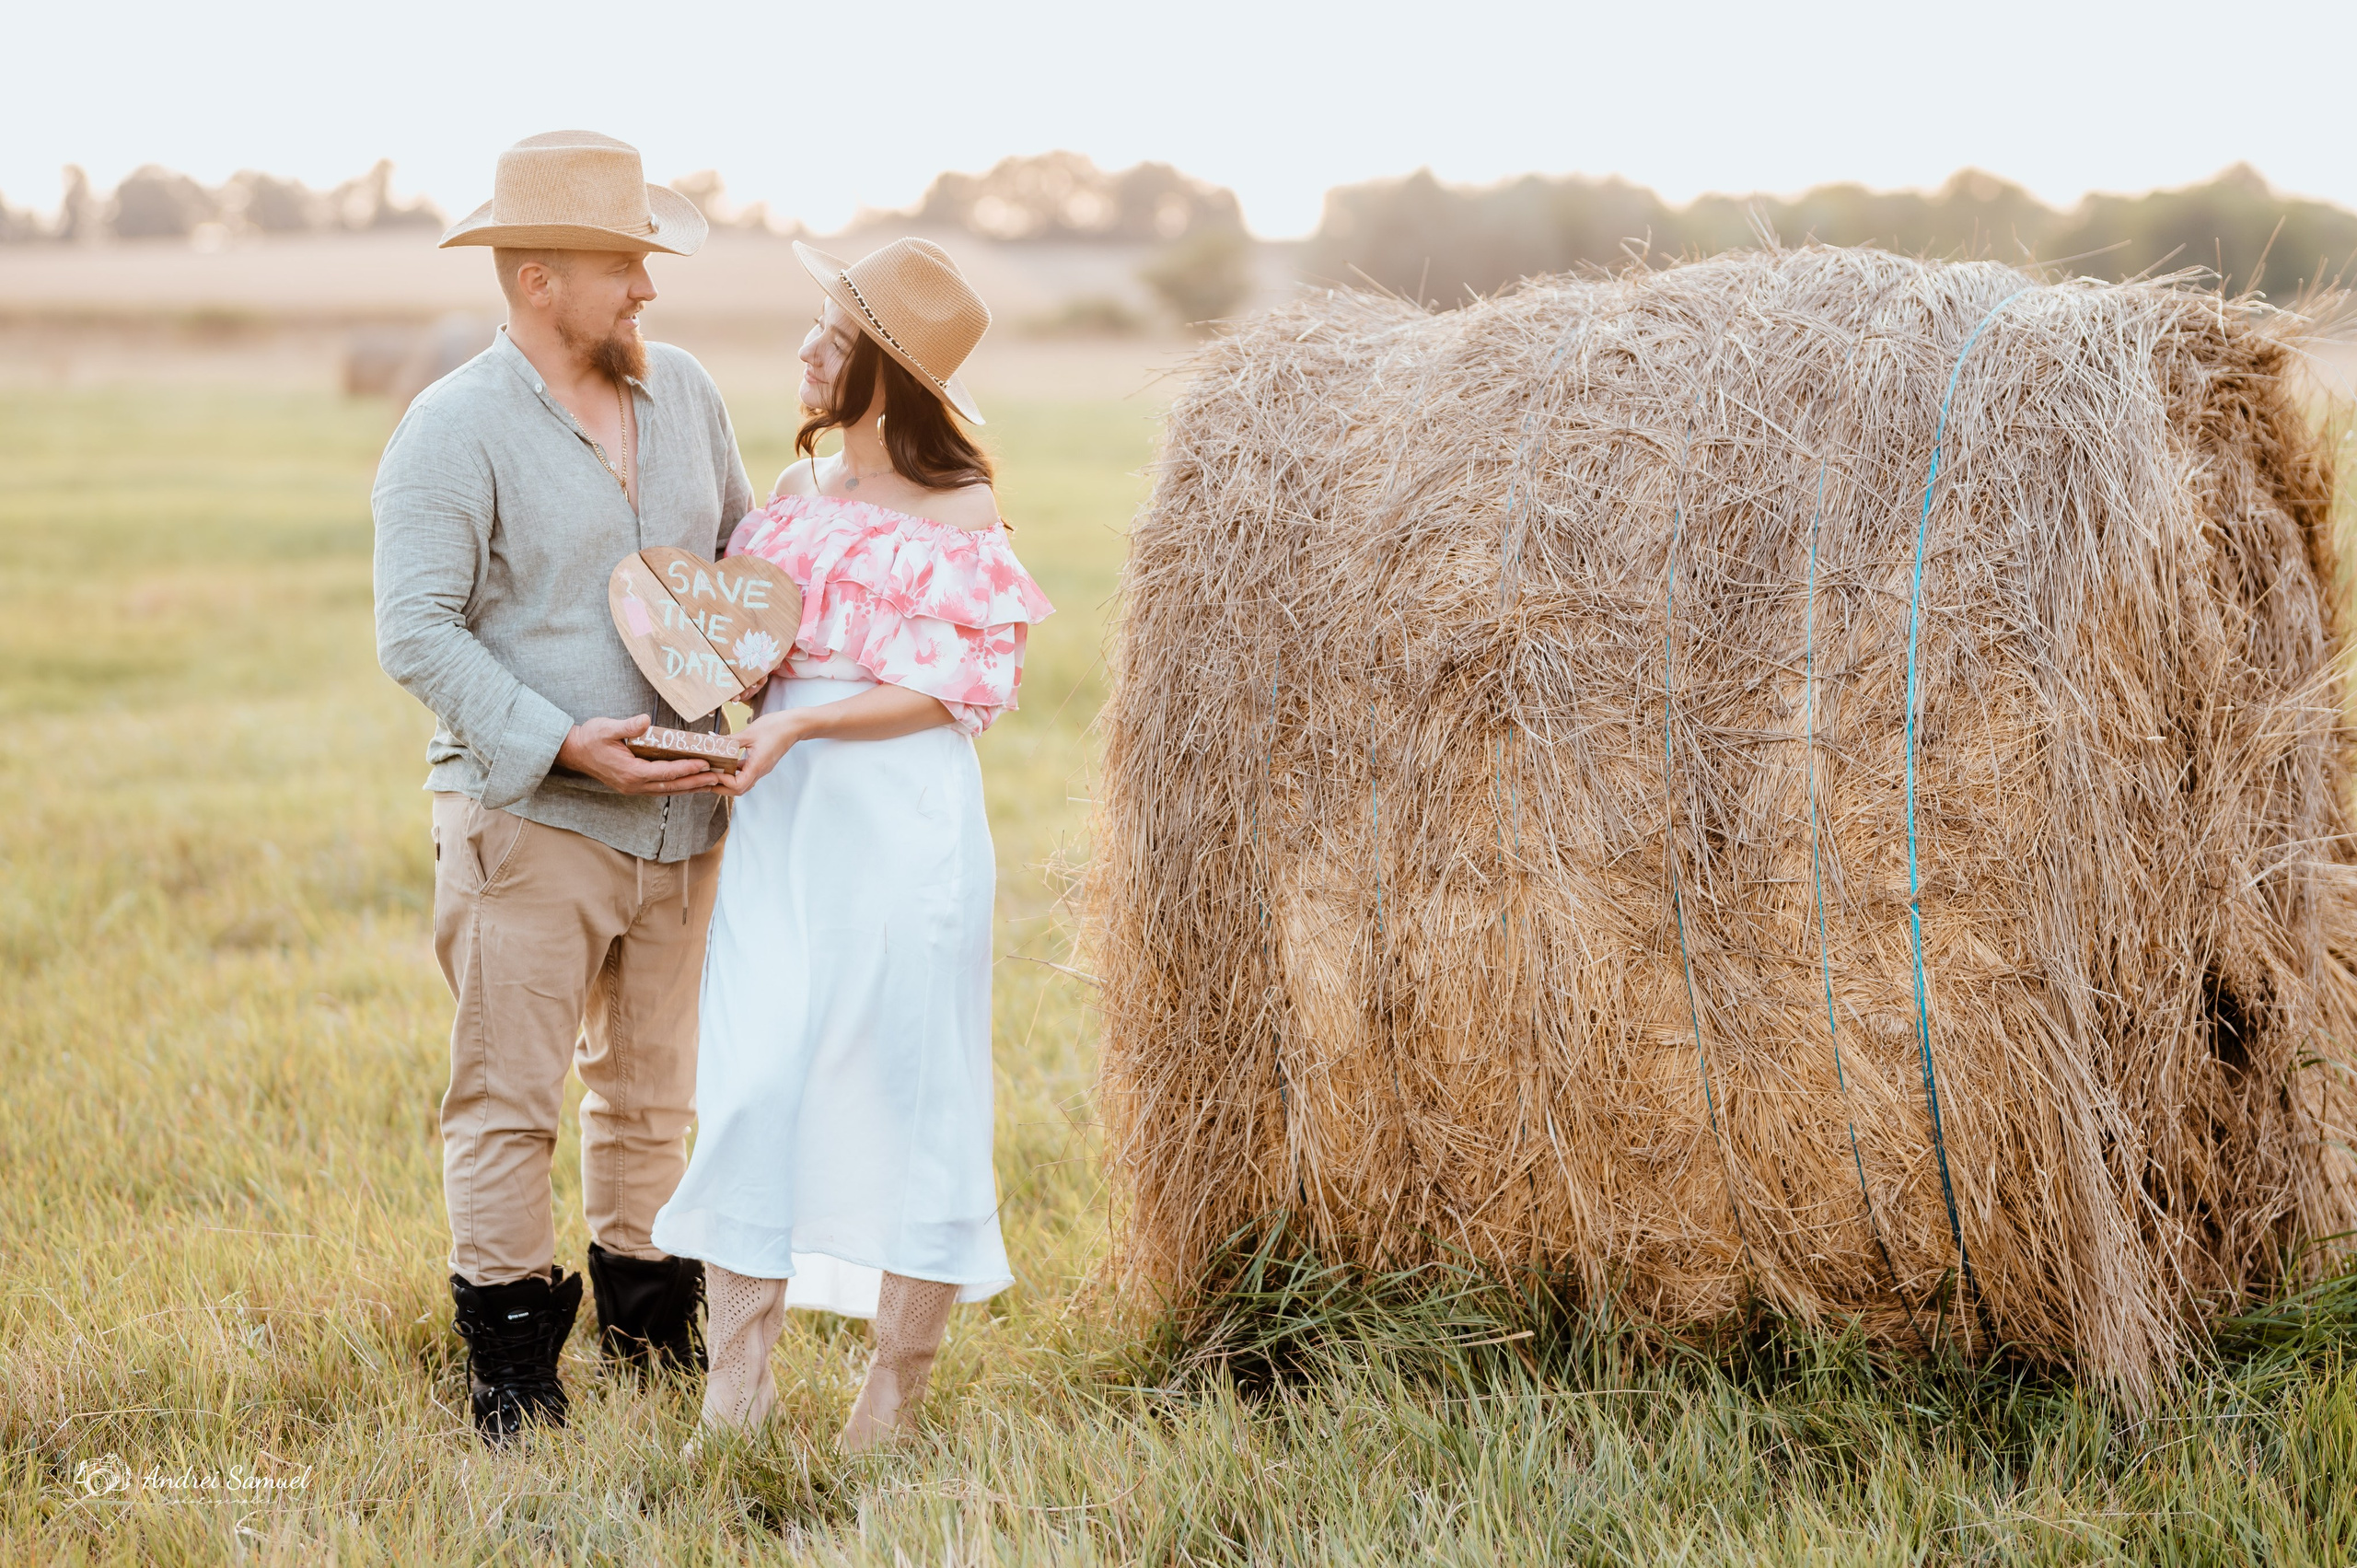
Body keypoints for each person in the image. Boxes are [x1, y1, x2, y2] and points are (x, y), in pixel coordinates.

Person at [371, 130, 751, 1442]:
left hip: (684, 816)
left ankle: (655, 1337)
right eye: (624, 266)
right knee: (507, 1101)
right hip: (530, 821)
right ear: (539, 279)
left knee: (654, 1096)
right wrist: (559, 739)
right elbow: (414, 629)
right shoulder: (452, 425)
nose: (648, 288)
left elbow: (744, 558)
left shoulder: (689, 393)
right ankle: (516, 1383)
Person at [650, 238, 1053, 1451]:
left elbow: (959, 685)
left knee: (907, 1085)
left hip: (899, 820)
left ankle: (896, 1385)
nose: (806, 352)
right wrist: (729, 681)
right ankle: (739, 1381)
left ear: (883, 371)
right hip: (782, 817)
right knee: (754, 1074)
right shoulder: (790, 504)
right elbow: (752, 654)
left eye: (829, 334)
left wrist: (802, 722)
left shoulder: (960, 511)